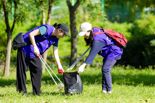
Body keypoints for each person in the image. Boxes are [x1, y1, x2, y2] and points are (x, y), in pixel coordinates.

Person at [15, 23, 69, 95]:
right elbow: (31, 34)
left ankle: (37, 93)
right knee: (22, 70)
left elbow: (55, 53)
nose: (64, 36)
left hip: (34, 52)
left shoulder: (56, 39)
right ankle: (22, 92)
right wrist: (35, 47)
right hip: (24, 47)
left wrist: (59, 66)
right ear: (60, 30)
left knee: (38, 69)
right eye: (64, 34)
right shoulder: (46, 29)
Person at [78, 22, 123, 94]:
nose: (84, 36)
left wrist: (83, 65)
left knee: (105, 69)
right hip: (108, 52)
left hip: (114, 51)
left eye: (84, 34)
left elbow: (92, 54)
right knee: (104, 69)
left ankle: (109, 91)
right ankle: (104, 90)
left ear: (89, 31)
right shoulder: (94, 31)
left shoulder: (97, 40)